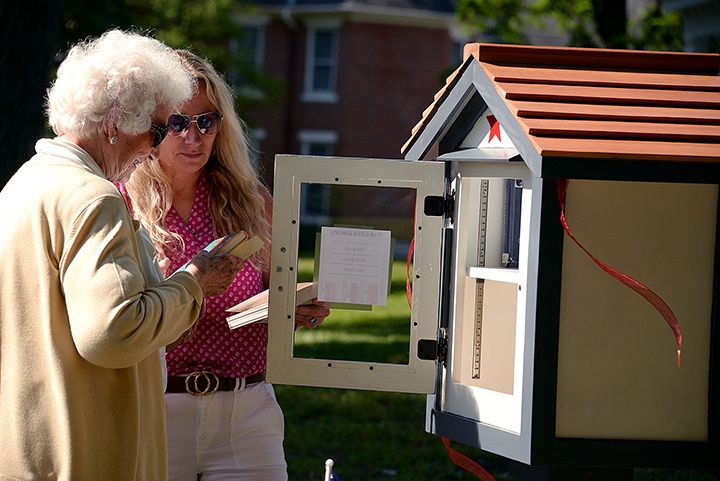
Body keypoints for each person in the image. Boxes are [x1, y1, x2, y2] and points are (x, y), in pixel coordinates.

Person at [0, 30, 245, 480]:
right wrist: (192, 283)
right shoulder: (94, 197)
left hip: (29, 447)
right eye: (157, 129)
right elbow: (114, 332)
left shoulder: (24, 184)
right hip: (86, 451)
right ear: (115, 124)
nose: (154, 148)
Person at [124, 50, 330, 481]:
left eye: (206, 121)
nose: (194, 137)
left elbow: (281, 294)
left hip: (247, 409)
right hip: (152, 407)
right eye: (178, 123)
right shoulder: (121, 203)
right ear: (150, 128)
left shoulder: (252, 203)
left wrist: (298, 308)